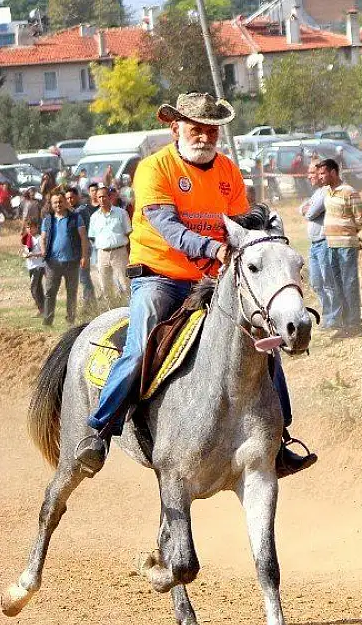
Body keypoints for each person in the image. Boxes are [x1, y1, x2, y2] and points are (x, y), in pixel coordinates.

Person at [72, 92, 316, 478]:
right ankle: (99, 429)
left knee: (263, 341)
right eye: (195, 129)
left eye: (211, 130)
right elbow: (165, 226)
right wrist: (210, 247)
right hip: (159, 276)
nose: (204, 137)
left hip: (212, 277)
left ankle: (279, 438)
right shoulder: (154, 168)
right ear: (175, 129)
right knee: (139, 349)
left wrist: (260, 232)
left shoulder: (228, 171)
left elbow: (241, 224)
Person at [320, 157, 362, 338]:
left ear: (333, 172)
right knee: (338, 285)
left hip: (346, 245)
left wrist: (349, 232)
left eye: (324, 173)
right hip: (331, 245)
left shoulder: (349, 192)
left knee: (349, 284)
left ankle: (354, 324)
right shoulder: (327, 193)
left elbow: (361, 218)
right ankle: (344, 324)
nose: (321, 177)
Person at [40, 191, 90, 327]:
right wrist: (44, 252)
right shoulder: (47, 220)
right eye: (55, 202)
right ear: (51, 205)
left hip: (72, 262)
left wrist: (84, 256)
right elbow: (43, 238)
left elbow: (83, 238)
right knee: (50, 292)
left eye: (61, 201)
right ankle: (48, 321)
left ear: (65, 202)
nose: (58, 204)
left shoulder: (76, 218)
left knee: (71, 292)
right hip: (52, 263)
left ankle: (70, 321)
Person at [87, 184, 133, 304]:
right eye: (99, 197)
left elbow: (129, 233)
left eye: (104, 196)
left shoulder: (121, 213)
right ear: (96, 199)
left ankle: (130, 311)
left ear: (109, 197)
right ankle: (110, 312)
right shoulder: (94, 217)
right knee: (105, 286)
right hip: (102, 253)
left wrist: (130, 254)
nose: (102, 199)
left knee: (125, 284)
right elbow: (92, 237)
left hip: (119, 252)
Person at [299, 159, 332, 326]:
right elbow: (301, 208)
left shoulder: (326, 191)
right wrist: (306, 208)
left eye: (312, 173)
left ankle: (335, 319)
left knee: (328, 283)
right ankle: (329, 315)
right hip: (315, 244)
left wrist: (307, 208)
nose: (309, 176)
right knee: (317, 283)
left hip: (325, 243)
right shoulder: (316, 193)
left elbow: (310, 213)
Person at [68, 186, 97, 311]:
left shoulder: (81, 210)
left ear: (77, 197)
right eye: (67, 198)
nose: (69, 200)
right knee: (80, 278)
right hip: (72, 250)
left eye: (71, 197)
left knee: (84, 278)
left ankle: (89, 305)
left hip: (83, 249)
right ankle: (89, 303)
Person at [21, 219, 46, 318]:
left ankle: (42, 309)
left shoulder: (39, 238)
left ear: (36, 227)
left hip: (39, 266)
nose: (29, 229)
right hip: (31, 266)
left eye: (31, 227)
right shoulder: (27, 239)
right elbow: (26, 251)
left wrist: (33, 254)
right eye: (27, 227)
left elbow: (44, 253)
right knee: (38, 288)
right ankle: (43, 309)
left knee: (34, 288)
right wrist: (25, 254)